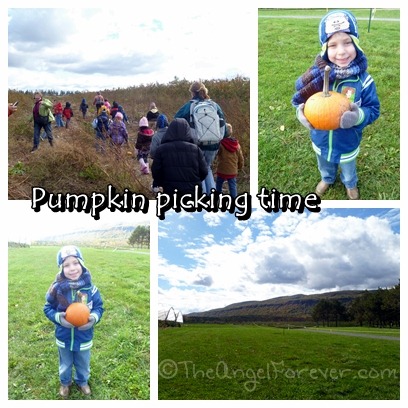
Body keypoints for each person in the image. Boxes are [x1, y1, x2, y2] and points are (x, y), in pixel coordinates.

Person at [292, 10, 380, 200]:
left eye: (347, 42)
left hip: (347, 141)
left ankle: (350, 184)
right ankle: (327, 178)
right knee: (324, 163)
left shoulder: (363, 81)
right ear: (325, 49)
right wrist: (301, 112)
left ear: (357, 45)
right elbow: (303, 101)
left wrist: (358, 116)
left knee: (348, 168)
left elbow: (373, 109)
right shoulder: (317, 78)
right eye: (333, 45)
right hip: (320, 139)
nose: (341, 51)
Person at [43, 245, 104, 398]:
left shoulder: (91, 289)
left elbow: (99, 307)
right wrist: (59, 319)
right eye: (66, 265)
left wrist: (93, 319)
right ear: (61, 269)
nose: (72, 268)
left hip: (84, 338)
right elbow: (48, 308)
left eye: (76, 263)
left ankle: (82, 381)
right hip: (64, 337)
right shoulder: (57, 290)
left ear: (82, 265)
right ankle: (65, 382)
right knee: (65, 364)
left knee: (83, 363)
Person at [174, 81, 226, 194]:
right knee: (207, 168)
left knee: (197, 169)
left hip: (196, 144)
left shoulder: (189, 106)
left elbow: (176, 119)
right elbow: (223, 126)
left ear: (192, 92)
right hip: (214, 144)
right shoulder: (214, 105)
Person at [151, 118, 208, 195]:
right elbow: (204, 171)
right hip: (193, 191)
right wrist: (195, 181)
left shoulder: (161, 150)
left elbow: (156, 171)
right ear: (188, 131)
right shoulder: (196, 150)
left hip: (170, 190)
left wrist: (163, 183)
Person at [215, 123, 244, 198]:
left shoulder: (220, 144)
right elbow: (240, 158)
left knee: (218, 184)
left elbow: (216, 154)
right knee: (232, 186)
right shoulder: (236, 145)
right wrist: (240, 167)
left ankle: (217, 198)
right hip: (232, 170)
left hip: (222, 169)